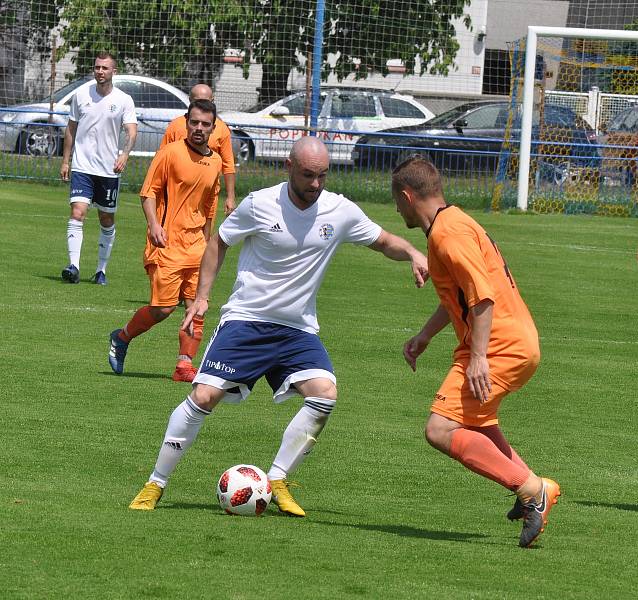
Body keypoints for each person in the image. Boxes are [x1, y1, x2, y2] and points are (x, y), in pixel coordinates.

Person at [129, 136, 428, 514]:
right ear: (288, 167)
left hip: (297, 330)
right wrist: (203, 296)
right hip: (247, 321)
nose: (316, 184)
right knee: (203, 397)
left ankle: (277, 479)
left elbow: (383, 241)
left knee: (325, 393)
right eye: (308, 175)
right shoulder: (260, 203)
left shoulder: (339, 210)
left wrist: (414, 253)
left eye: (322, 176)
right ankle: (155, 484)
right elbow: (219, 241)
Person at [391, 156, 559, 549]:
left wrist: (480, 357)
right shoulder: (451, 223)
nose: (398, 209)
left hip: (501, 346)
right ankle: (536, 485)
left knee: (441, 428)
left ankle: (532, 489)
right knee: (477, 423)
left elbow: (482, 298)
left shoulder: (448, 235)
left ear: (406, 195)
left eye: (397, 203)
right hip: (507, 342)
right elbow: (462, 298)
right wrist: (425, 336)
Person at [107, 99, 223, 382]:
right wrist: (154, 225)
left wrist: (208, 242)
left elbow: (209, 206)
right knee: (163, 309)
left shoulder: (216, 161)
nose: (198, 128)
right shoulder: (170, 153)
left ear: (213, 127)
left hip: (197, 246)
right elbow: (149, 193)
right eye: (194, 122)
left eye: (205, 124)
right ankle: (122, 337)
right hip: (167, 243)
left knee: (197, 306)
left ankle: (184, 365)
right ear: (186, 122)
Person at [60, 52, 138, 285]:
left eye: (105, 68)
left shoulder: (124, 99)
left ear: (114, 71)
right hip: (82, 166)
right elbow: (70, 130)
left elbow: (131, 132)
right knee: (77, 212)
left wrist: (124, 154)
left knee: (106, 219)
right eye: (97, 67)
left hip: (108, 170)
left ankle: (101, 270)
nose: (100, 71)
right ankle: (73, 266)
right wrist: (66, 161)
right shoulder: (81, 95)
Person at [161, 84, 237, 215]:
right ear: (190, 100)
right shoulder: (175, 125)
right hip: (176, 191)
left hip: (207, 194)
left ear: (212, 101)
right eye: (197, 101)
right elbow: (162, 161)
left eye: (205, 101)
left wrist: (230, 197)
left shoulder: (221, 129)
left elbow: (228, 165)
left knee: (204, 234)